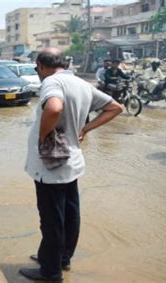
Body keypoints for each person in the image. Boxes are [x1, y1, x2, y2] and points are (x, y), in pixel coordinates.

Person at [21, 47, 122, 282]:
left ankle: (50, 271)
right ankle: (61, 258)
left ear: (41, 66)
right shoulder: (81, 83)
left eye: (37, 69)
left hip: (51, 165)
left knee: (51, 219)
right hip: (73, 162)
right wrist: (85, 129)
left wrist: (43, 135)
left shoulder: (51, 82)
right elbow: (115, 108)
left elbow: (55, 107)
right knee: (70, 213)